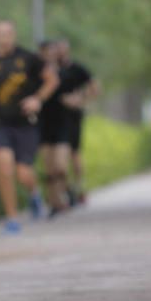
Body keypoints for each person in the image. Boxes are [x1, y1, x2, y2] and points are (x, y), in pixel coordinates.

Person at [0, 21, 59, 233]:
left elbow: (52, 80)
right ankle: (12, 218)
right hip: (1, 122)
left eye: (9, 33)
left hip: (25, 123)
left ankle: (34, 193)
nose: (5, 38)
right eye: (1, 34)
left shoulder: (29, 58)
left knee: (23, 173)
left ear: (14, 35)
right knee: (4, 167)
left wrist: (37, 99)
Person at [55, 39, 97, 205]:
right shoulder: (49, 70)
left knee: (74, 153)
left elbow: (95, 88)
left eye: (62, 48)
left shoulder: (77, 69)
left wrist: (80, 98)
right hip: (54, 118)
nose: (60, 52)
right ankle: (65, 191)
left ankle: (79, 186)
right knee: (59, 161)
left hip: (72, 116)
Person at [37, 40, 70, 216]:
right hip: (43, 123)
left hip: (62, 123)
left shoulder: (65, 72)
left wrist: (77, 100)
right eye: (46, 52)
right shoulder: (36, 73)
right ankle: (54, 202)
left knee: (61, 166)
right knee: (49, 169)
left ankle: (65, 191)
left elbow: (83, 88)